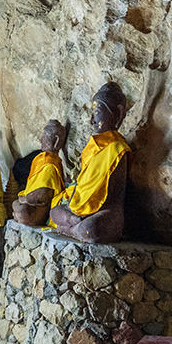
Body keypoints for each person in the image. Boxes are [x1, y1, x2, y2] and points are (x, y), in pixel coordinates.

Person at [50, 82, 131, 243]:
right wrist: (74, 210)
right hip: (80, 210)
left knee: (90, 229)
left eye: (98, 113)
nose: (92, 120)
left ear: (118, 113)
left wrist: (88, 212)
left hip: (105, 211)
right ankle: (74, 224)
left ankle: (71, 228)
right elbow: (82, 187)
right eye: (92, 113)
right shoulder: (91, 148)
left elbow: (110, 195)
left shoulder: (118, 150)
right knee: (54, 212)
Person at [12, 120, 67, 226]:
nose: (41, 140)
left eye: (45, 137)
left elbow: (42, 196)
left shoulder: (51, 165)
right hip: (29, 202)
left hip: (37, 211)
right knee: (16, 204)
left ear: (56, 141)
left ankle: (19, 215)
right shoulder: (40, 159)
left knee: (22, 210)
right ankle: (19, 213)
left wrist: (24, 199)